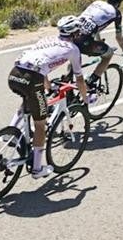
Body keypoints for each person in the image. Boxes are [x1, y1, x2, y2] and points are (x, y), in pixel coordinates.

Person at [8, 16, 95, 179]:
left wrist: (49, 87)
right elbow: (80, 79)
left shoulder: (47, 39)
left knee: (27, 101)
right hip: (32, 79)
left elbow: (41, 66)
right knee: (41, 125)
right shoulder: (73, 49)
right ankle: (36, 169)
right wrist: (85, 98)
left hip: (14, 74)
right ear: (75, 33)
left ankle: (10, 132)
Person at [76, 0, 123, 88]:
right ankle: (91, 82)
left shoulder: (96, 3)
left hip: (71, 36)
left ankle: (67, 80)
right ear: (121, 0)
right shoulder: (116, 13)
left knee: (74, 56)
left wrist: (98, 41)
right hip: (85, 43)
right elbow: (119, 37)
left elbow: (93, 22)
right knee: (109, 54)